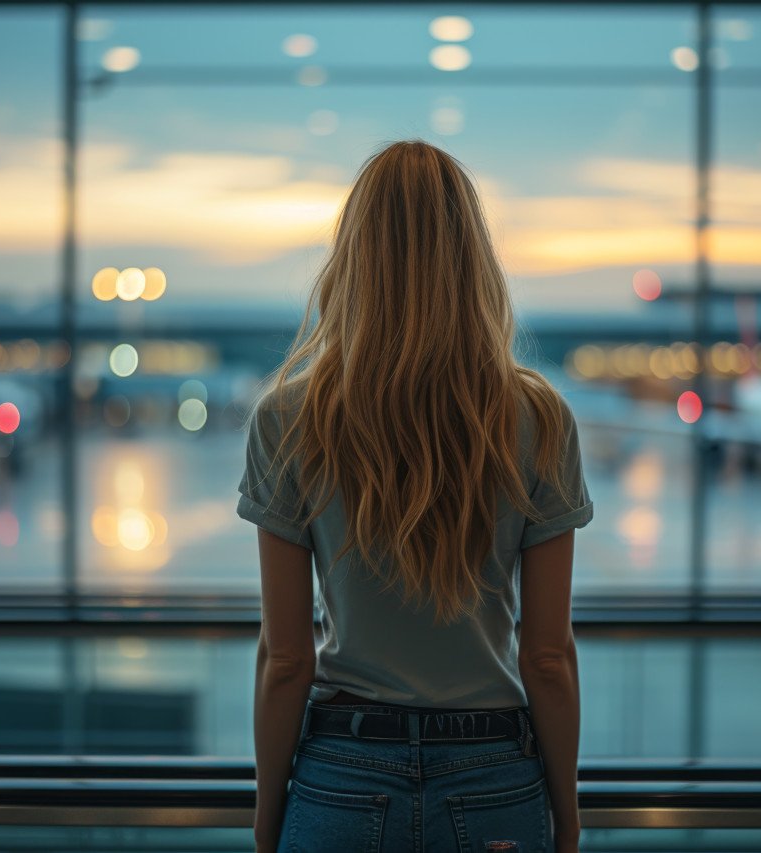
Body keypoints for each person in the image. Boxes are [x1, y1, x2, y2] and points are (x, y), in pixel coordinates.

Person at [236, 139, 593, 853]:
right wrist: (566, 812)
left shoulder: (287, 417)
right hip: (494, 774)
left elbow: (286, 657)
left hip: (342, 769)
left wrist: (269, 816)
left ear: (353, 260)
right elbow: (547, 655)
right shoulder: (539, 418)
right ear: (472, 260)